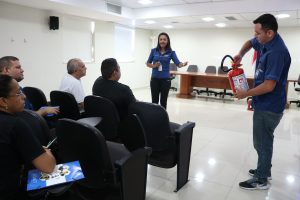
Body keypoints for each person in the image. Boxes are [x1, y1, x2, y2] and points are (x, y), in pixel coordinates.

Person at [233, 14, 291, 190]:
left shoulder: (276, 52)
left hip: (269, 106)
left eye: (258, 33)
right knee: (264, 141)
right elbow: (250, 43)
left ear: (270, 33)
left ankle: (261, 179)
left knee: (262, 142)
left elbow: (268, 86)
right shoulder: (265, 41)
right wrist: (240, 55)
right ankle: (264, 169)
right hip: (263, 103)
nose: (255, 36)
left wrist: (246, 93)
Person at [0, 74, 56, 200]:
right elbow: (48, 167)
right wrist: (46, 152)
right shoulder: (16, 124)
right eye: (19, 93)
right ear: (3, 101)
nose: (24, 96)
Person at [146, 32, 188, 109]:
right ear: (158, 41)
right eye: (161, 39)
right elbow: (148, 63)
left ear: (167, 41)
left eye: (164, 39)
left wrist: (183, 64)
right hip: (154, 79)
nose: (162, 41)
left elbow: (178, 63)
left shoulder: (171, 52)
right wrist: (154, 65)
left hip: (165, 80)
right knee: (154, 101)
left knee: (163, 101)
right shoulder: (153, 51)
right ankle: (153, 118)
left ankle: (162, 119)